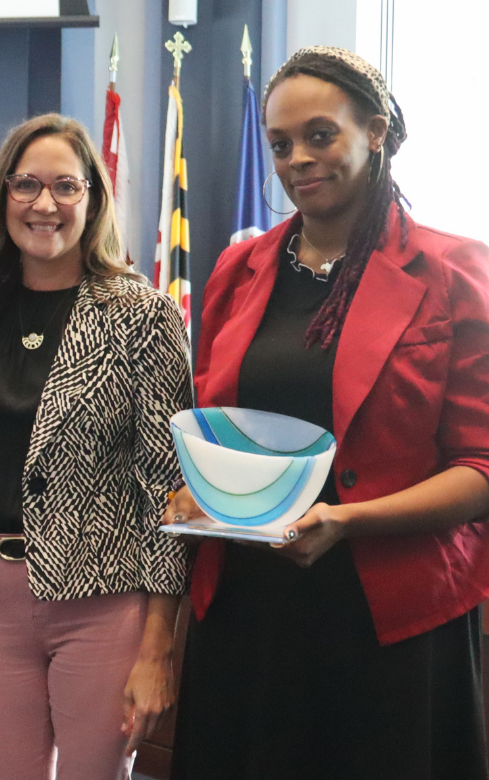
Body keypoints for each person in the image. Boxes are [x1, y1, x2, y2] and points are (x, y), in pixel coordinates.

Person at [165, 46, 489, 780]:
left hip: (388, 620)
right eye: (279, 145)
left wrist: (345, 520)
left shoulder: (454, 271)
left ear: (375, 132)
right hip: (250, 608)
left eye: (320, 135)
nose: (296, 160)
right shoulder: (237, 269)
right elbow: (220, 426)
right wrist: (203, 492)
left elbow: (481, 468)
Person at [0, 113, 192, 780]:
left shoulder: (142, 315)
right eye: (26, 185)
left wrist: (157, 646)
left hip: (103, 603)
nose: (44, 204)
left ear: (94, 199)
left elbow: (168, 488)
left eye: (65, 186)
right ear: (3, 198)